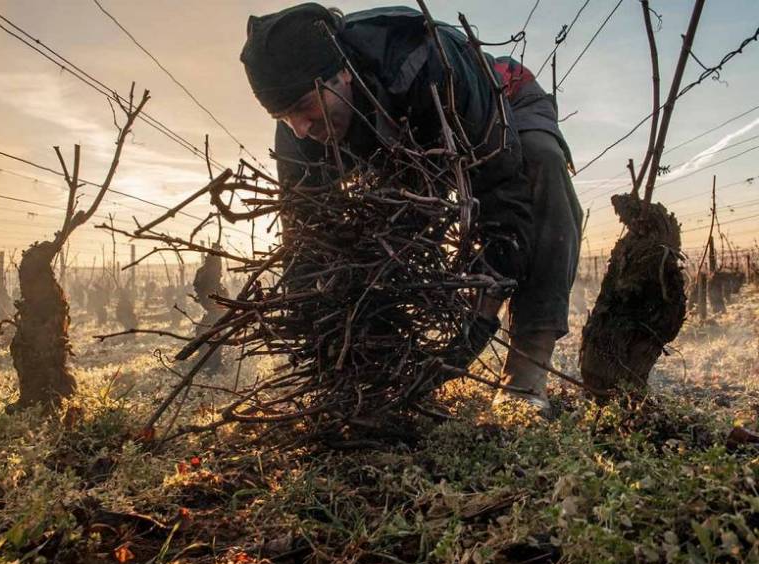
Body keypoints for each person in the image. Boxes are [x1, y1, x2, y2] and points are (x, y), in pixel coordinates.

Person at [240, 3, 583, 417]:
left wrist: (482, 313)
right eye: (282, 116)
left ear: (341, 72)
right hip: (404, 145)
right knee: (376, 228)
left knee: (539, 163)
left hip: (500, 106)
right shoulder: (301, 128)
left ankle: (527, 377)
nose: (298, 127)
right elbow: (306, 234)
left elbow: (500, 188)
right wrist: (324, 339)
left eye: (301, 107)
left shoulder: (425, 61)